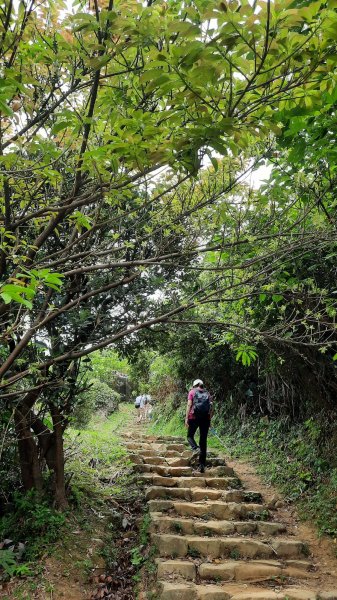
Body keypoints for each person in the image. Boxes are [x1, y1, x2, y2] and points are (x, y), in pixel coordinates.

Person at [185, 379, 212, 473]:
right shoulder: (207, 393)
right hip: (205, 419)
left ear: (194, 385)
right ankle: (202, 465)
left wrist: (186, 418)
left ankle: (195, 448)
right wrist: (209, 421)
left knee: (189, 436)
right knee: (203, 441)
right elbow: (210, 408)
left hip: (194, 417)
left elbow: (189, 405)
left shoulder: (192, 392)